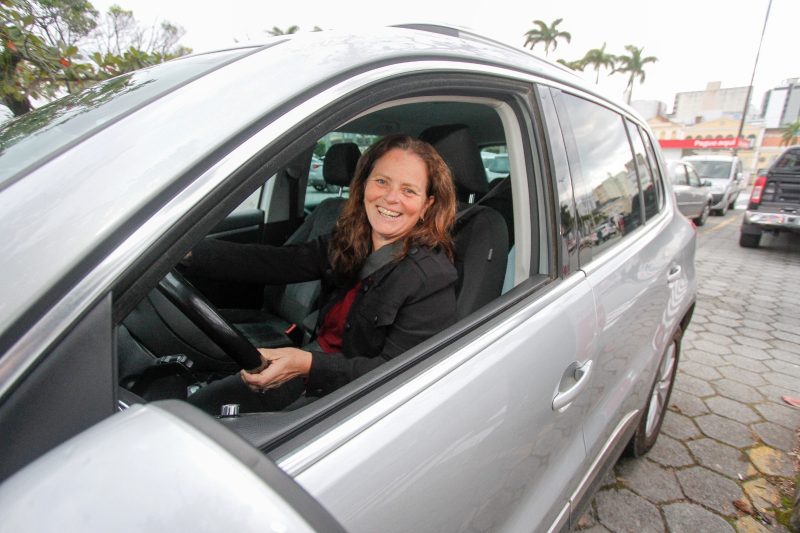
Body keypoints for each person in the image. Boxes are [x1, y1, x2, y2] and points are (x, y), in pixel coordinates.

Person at [185, 134, 459, 413]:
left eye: (409, 191)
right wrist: (188, 252)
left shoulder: (431, 278)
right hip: (310, 363)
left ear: (427, 204)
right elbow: (278, 262)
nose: (391, 198)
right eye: (381, 181)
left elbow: (397, 374)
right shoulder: (350, 239)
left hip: (350, 399)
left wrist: (305, 364)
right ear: (364, 184)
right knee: (195, 408)